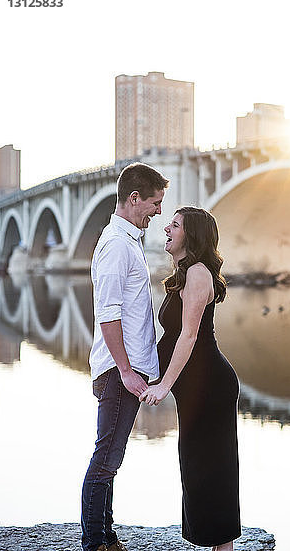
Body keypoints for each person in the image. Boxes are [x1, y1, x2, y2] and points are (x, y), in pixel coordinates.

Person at [140, 206, 241, 551]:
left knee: (211, 466)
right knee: (200, 464)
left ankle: (223, 546)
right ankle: (217, 544)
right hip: (196, 387)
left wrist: (164, 384)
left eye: (176, 224)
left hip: (209, 385)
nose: (166, 227)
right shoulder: (187, 273)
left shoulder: (198, 273)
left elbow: (188, 337)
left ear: (192, 235)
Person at [81, 162, 169, 551]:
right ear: (134, 199)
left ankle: (107, 536)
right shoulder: (117, 244)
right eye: (155, 202)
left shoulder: (126, 239)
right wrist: (128, 372)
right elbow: (109, 314)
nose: (159, 211)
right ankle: (95, 542)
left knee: (111, 460)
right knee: (106, 459)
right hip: (121, 373)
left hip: (124, 370)